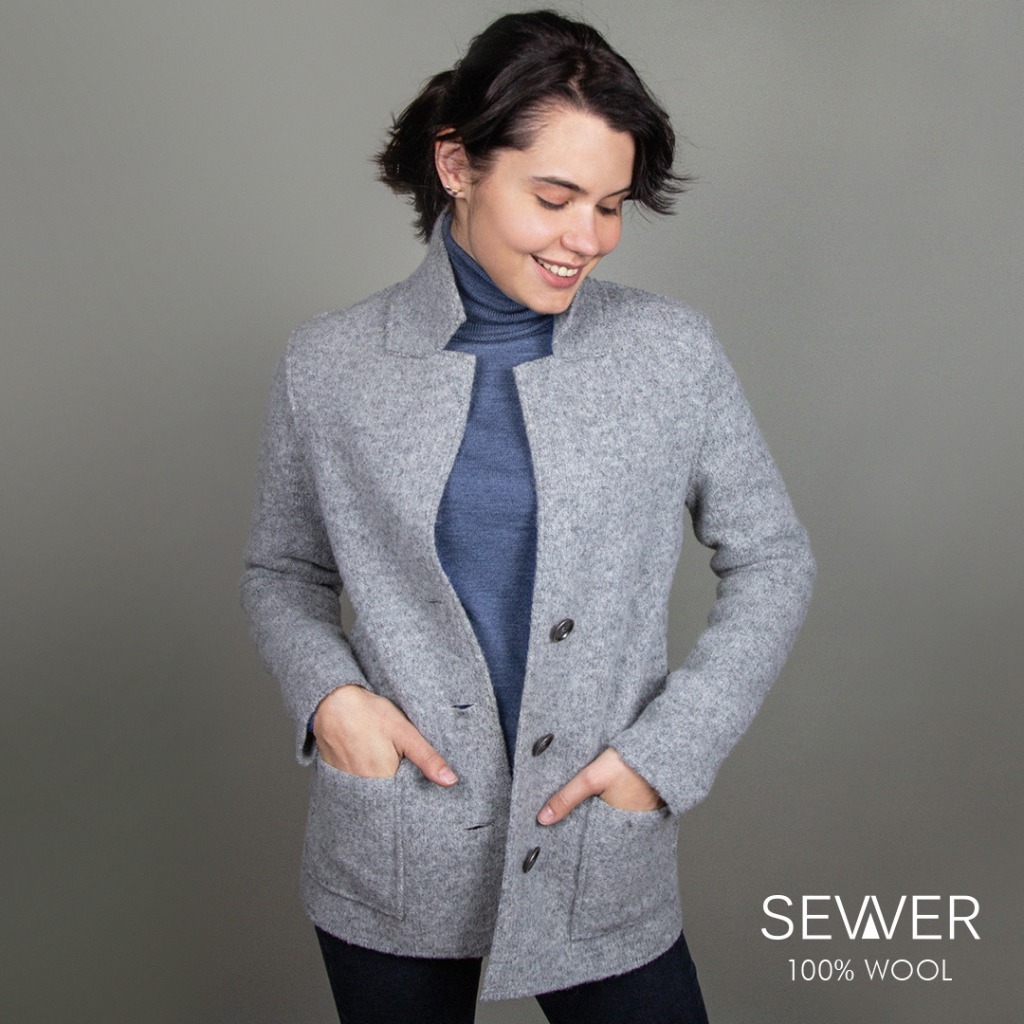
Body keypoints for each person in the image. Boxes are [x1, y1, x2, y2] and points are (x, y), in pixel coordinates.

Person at [241, 10, 815, 1023]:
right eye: (554, 198)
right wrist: (332, 701)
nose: (586, 239)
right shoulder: (330, 364)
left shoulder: (669, 353)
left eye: (610, 206)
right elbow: (283, 571)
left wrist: (662, 756)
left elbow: (773, 558)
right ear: (457, 165)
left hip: (600, 847)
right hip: (395, 850)